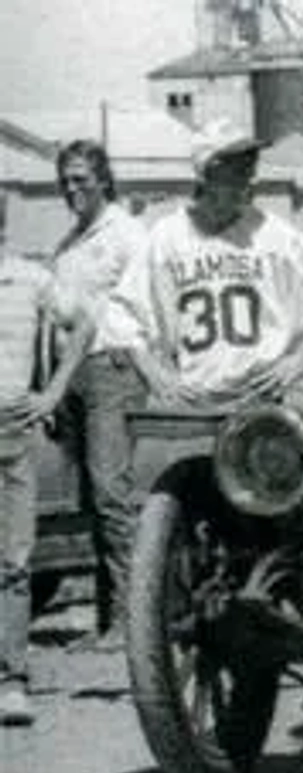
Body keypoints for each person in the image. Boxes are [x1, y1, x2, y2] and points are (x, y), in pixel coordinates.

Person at [100, 119, 303, 423]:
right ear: (208, 173)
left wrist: (296, 361)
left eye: (251, 167)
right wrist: (154, 373)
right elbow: (121, 312)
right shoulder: (167, 237)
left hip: (263, 399)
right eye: (238, 170)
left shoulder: (276, 235)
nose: (250, 179)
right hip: (194, 401)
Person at [42, 140, 147, 645]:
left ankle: (133, 619)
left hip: (112, 368)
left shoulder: (127, 233)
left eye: (81, 179)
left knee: (112, 494)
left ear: (104, 179)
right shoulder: (68, 244)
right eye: (65, 180)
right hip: (71, 374)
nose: (72, 189)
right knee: (90, 499)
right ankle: (110, 617)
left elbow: (150, 301)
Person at [2, 206, 91, 725]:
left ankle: (11, 680)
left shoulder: (30, 278)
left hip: (11, 431)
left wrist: (53, 392)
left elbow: (84, 323)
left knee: (13, 562)